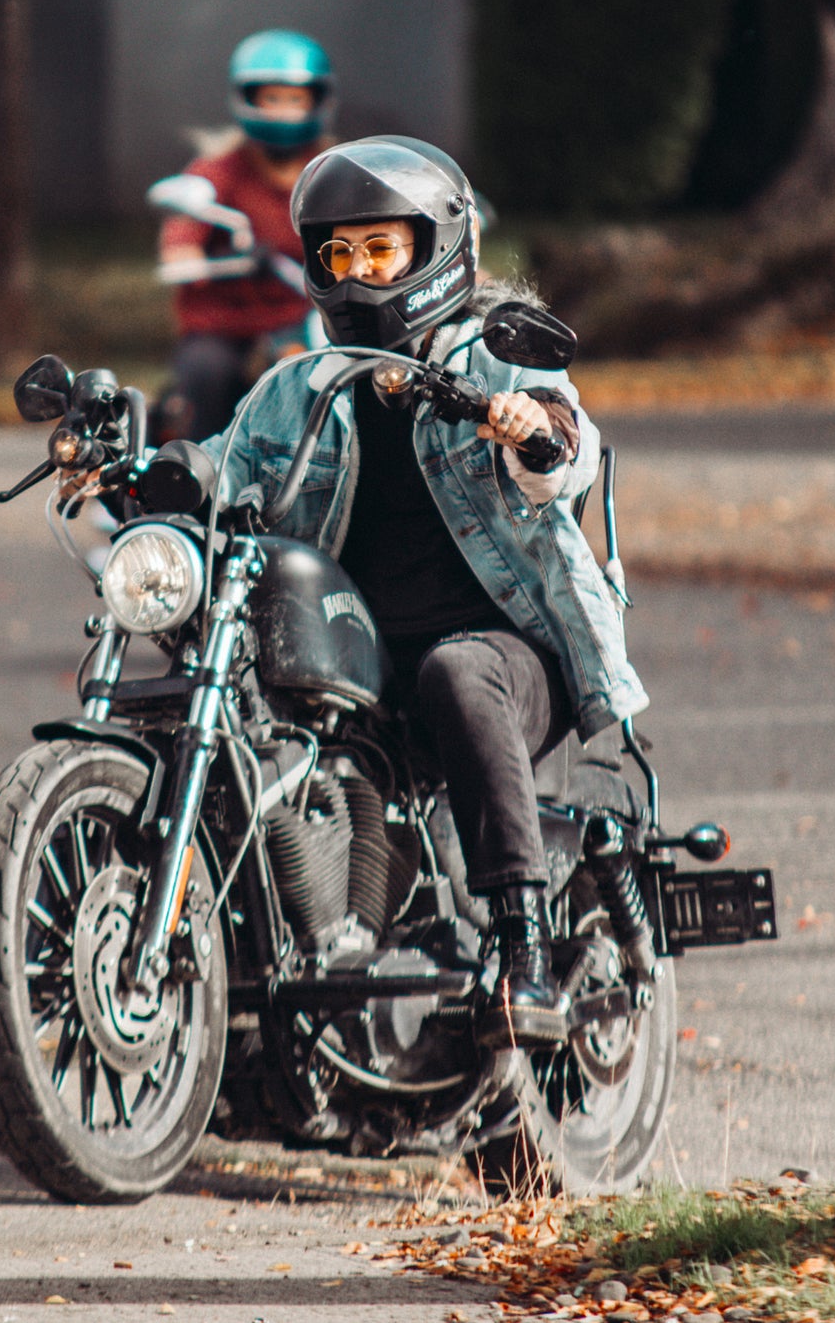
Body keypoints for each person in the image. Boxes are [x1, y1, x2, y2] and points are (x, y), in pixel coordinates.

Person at [201, 136, 649, 1048]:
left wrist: (537, 433)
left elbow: (568, 447)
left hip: (511, 660)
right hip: (359, 674)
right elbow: (222, 469)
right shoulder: (294, 389)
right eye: (342, 253)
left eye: (381, 249)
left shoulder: (494, 359)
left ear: (437, 247)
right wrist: (152, 475)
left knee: (457, 670)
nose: (360, 270)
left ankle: (522, 945)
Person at [157, 30, 334, 439]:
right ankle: (202, 479)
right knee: (207, 372)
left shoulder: (332, 167)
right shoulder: (218, 169)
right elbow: (181, 240)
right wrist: (198, 257)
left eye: (296, 99)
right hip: (227, 326)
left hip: (308, 318)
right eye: (273, 99)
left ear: (317, 100)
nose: (285, 111)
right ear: (249, 100)